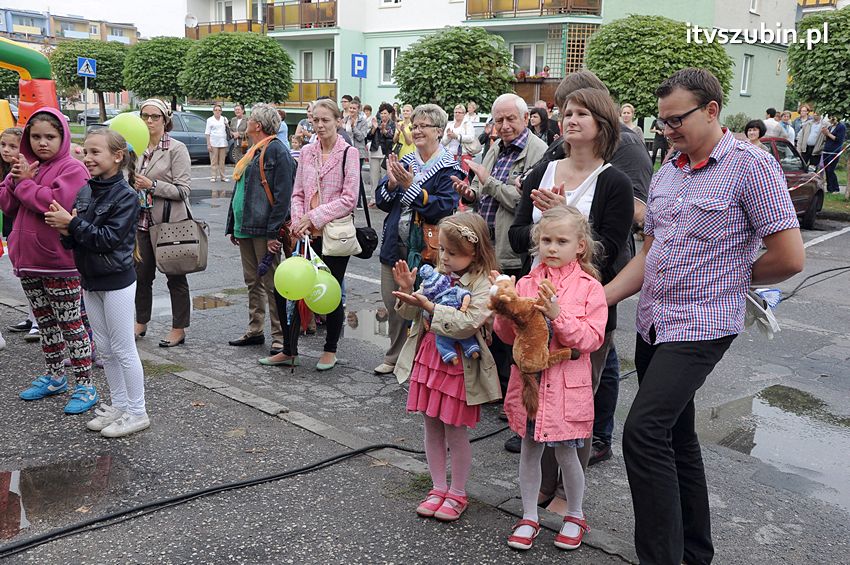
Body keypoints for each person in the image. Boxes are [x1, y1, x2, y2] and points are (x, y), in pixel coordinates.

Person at [605, 67, 804, 565]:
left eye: (677, 120)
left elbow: (790, 257)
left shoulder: (750, 164)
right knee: (675, 435)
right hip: (655, 321)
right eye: (662, 122)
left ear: (712, 110)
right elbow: (648, 255)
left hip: (703, 324)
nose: (668, 130)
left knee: (643, 433)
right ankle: (695, 553)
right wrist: (596, 297)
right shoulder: (671, 168)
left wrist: (732, 276)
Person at [509, 70, 647, 466]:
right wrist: (543, 226)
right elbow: (518, 238)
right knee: (536, 394)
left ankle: (570, 495)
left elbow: (607, 250)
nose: (570, 119)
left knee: (575, 404)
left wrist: (563, 217)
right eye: (567, 112)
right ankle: (542, 482)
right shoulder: (544, 170)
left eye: (582, 113)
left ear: (602, 124)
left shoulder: (614, 182)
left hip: (584, 306)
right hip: (537, 300)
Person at [497, 205, 607, 552]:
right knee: (529, 451)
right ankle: (529, 515)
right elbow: (507, 337)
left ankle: (574, 514)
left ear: (580, 246)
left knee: (567, 455)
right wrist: (502, 309)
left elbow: (592, 339)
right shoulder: (527, 283)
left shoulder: (590, 288)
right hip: (531, 390)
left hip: (566, 391)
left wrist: (559, 316)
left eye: (562, 241)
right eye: (546, 240)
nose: (552, 248)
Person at [393, 212, 501, 522]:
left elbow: (467, 325)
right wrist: (409, 291)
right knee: (430, 425)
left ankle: (458, 491)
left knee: (455, 431)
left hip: (459, 367)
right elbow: (412, 317)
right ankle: (438, 486)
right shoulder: (436, 273)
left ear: (475, 252)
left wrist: (428, 305)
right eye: (442, 250)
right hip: (429, 358)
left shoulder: (483, 284)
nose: (445, 258)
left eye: (453, 253)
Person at [45, 128, 149, 437]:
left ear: (117, 157)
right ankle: (119, 405)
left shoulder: (127, 196)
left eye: (95, 152)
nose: (87, 158)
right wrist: (66, 232)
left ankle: (137, 411)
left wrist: (72, 223)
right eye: (85, 151)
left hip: (116, 280)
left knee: (123, 347)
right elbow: (79, 241)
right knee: (103, 347)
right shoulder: (86, 191)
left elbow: (108, 240)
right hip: (90, 278)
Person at [454, 93, 547, 407]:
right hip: (487, 248)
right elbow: (484, 193)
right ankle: (496, 388)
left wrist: (487, 181)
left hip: (512, 250)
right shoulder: (494, 147)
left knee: (512, 322)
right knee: (492, 317)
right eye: (499, 120)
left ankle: (514, 395)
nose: (504, 126)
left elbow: (523, 203)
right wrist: (470, 192)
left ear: (525, 118)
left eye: (511, 119)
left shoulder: (539, 152)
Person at [0, 108, 95, 414]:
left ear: (63, 137)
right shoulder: (28, 166)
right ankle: (55, 377)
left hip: (60, 263)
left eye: (50, 137)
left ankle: (85, 384)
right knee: (45, 324)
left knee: (72, 325)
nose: (42, 143)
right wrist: (14, 179)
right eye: (36, 136)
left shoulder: (73, 168)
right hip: (28, 261)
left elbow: (56, 205)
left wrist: (26, 184)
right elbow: (7, 206)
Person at [262, 99, 357, 371]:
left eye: (326, 119)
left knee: (330, 289)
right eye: (316, 119)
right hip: (303, 234)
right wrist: (299, 221)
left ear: (338, 121)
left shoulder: (348, 153)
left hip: (332, 234)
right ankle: (289, 350)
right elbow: (297, 192)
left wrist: (313, 217)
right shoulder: (306, 152)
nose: (320, 125)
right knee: (287, 288)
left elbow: (349, 198)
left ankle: (330, 349)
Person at [373, 104, 462, 376]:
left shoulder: (449, 166)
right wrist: (389, 185)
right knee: (394, 302)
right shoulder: (407, 159)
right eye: (414, 125)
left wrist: (412, 188)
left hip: (428, 251)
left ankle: (423, 362)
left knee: (427, 304)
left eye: (424, 125)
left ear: (439, 131)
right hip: (395, 244)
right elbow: (383, 202)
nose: (417, 129)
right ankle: (395, 355)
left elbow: (445, 207)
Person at [225, 104, 294, 355]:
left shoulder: (277, 151)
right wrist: (233, 224)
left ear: (259, 126)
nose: (247, 122)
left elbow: (283, 196)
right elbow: (240, 191)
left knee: (271, 283)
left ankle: (279, 336)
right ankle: (255, 330)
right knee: (252, 281)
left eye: (251, 119)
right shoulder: (252, 152)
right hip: (246, 227)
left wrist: (274, 233)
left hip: (264, 230)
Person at [132, 98, 193, 347]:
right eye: (145, 116)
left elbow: (183, 190)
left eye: (154, 117)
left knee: (175, 277)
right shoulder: (136, 146)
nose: (149, 121)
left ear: (165, 120)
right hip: (141, 223)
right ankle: (141, 322)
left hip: (169, 224)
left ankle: (178, 328)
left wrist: (152, 185)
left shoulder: (176, 149)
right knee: (141, 276)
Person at [0, 127, 40, 341]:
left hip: (25, 227)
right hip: (11, 226)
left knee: (33, 275)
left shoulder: (25, 169)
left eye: (13, 146)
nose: (6, 150)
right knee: (22, 274)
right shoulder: (5, 169)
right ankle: (31, 314)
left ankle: (38, 320)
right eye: (3, 145)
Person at [367, 102, 396, 196]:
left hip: (386, 152)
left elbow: (391, 137)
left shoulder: (392, 124)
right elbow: (369, 137)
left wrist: (384, 131)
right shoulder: (376, 122)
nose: (383, 115)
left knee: (385, 176)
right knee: (373, 176)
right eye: (381, 113)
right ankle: (373, 198)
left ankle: (383, 196)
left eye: (385, 113)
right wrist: (374, 128)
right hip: (375, 150)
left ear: (389, 114)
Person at [442, 104, 476, 171]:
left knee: (462, 178)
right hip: (449, 156)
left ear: (464, 114)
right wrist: (449, 137)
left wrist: (456, 136)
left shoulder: (467, 124)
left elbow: (471, 138)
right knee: (450, 178)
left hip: (464, 155)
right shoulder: (450, 124)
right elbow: (443, 142)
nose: (457, 114)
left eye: (459, 112)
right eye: (456, 112)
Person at [821, 115, 846, 193]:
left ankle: (835, 188)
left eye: (832, 118)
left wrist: (828, 134)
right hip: (826, 150)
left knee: (830, 170)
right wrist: (825, 134)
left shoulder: (841, 127)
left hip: (834, 151)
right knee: (826, 170)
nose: (831, 120)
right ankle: (829, 188)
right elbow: (827, 138)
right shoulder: (830, 127)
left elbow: (838, 139)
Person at [205, 104, 230, 182]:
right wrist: (208, 144)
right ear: (213, 111)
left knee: (222, 161)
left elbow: (228, 129)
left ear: (221, 111)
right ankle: (213, 176)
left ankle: (223, 176)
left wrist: (227, 125)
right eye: (216, 110)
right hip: (214, 143)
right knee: (214, 160)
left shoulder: (224, 119)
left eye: (219, 110)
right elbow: (207, 133)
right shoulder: (210, 120)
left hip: (223, 142)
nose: (217, 111)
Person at [343, 97, 370, 165]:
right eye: (350, 108)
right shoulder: (345, 120)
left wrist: (353, 127)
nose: (351, 110)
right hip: (346, 150)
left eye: (354, 108)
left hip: (358, 152)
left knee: (357, 174)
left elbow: (361, 137)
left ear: (358, 110)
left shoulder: (363, 121)